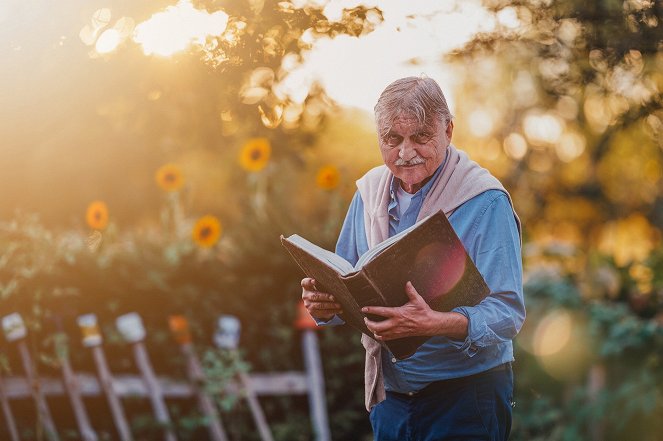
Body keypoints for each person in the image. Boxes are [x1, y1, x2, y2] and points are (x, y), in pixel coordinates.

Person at [301, 76, 525, 441]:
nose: (406, 152)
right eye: (392, 139)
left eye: (420, 137)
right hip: (391, 399)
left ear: (448, 130)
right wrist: (323, 303)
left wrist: (433, 323)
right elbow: (346, 281)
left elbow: (508, 314)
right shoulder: (367, 193)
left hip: (468, 397)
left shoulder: (485, 201)